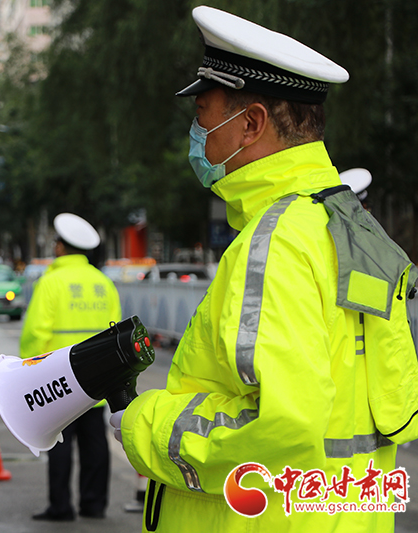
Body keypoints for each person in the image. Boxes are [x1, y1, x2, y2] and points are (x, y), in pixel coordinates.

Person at [109, 6, 418, 532]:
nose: (197, 133)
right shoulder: (348, 229)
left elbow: (284, 424)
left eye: (203, 113)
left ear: (250, 123)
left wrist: (146, 424)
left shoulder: (276, 241)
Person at [20, 213, 122, 521]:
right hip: (97, 379)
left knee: (60, 443)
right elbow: (114, 331)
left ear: (62, 248)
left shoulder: (50, 283)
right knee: (95, 442)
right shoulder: (104, 284)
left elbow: (36, 333)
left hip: (60, 379)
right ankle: (94, 505)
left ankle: (61, 507)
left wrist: (29, 372)